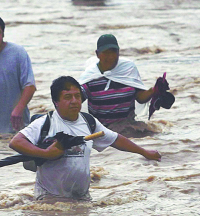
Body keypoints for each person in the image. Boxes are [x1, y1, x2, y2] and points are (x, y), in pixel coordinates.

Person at [9, 76, 161, 200]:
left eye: (77, 96)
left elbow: (116, 140)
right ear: (56, 102)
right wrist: (46, 154)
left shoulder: (89, 122)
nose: (74, 101)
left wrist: (144, 152)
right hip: (49, 200)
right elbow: (16, 142)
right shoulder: (45, 123)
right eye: (68, 97)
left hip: (81, 198)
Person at [77, 34, 158, 131]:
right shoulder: (91, 77)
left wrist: (154, 90)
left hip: (128, 125)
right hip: (102, 129)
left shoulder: (128, 70)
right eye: (106, 52)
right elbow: (76, 100)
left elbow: (140, 97)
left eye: (114, 52)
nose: (110, 56)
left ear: (119, 52)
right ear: (97, 54)